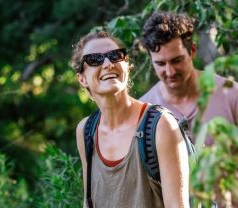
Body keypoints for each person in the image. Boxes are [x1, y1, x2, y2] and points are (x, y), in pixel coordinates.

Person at [138, 12, 238, 207]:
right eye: (160, 64)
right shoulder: (144, 112)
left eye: (177, 60)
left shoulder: (232, 95)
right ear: (151, 59)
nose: (170, 71)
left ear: (193, 51)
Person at [73, 31, 189, 208]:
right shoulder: (86, 131)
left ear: (127, 66)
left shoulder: (161, 125)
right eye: (95, 59)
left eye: (115, 56)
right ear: (82, 79)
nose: (108, 64)